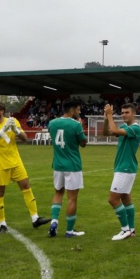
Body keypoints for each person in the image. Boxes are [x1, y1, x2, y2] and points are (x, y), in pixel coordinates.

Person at [0, 101, 50, 233]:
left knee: (26, 187)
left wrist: (15, 129)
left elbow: (24, 139)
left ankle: (35, 218)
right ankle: (2, 224)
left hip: (15, 161)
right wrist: (2, 131)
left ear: (2, 111)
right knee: (0, 192)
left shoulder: (13, 121)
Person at [47, 98, 88, 238]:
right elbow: (83, 143)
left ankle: (54, 222)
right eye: (77, 109)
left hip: (58, 164)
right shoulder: (76, 125)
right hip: (72, 165)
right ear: (71, 110)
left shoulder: (52, 123)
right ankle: (69, 231)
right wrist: (80, 127)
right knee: (72, 199)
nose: (79, 111)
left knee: (58, 193)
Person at [103, 103, 140, 241]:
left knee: (113, 199)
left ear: (133, 114)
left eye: (127, 112)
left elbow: (113, 131)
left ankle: (125, 229)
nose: (123, 114)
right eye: (122, 112)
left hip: (125, 168)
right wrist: (107, 119)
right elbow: (106, 133)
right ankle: (131, 229)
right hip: (124, 167)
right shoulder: (125, 127)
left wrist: (109, 115)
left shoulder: (135, 128)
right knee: (125, 198)